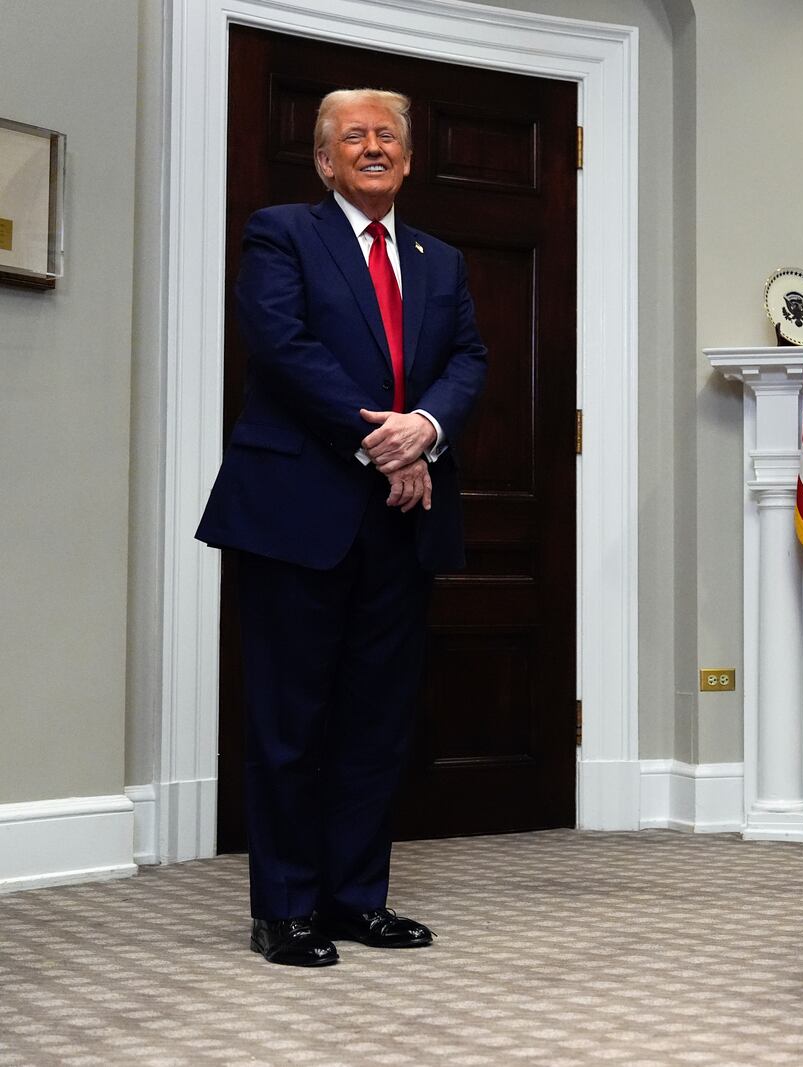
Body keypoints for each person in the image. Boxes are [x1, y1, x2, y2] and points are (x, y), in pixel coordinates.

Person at [197, 88, 488, 967]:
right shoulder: (281, 232)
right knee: (291, 719)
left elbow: (470, 358)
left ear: (407, 158)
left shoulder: (442, 259)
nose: (372, 147)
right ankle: (284, 909)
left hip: (406, 524)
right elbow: (283, 349)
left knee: (376, 721)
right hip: (298, 513)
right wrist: (384, 442)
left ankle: (357, 899)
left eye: (387, 135)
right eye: (353, 137)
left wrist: (427, 430)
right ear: (324, 162)